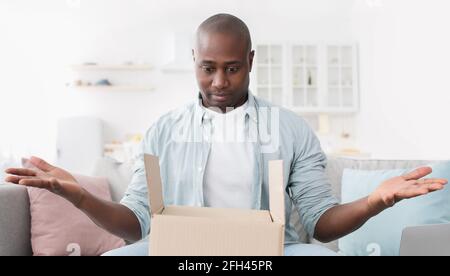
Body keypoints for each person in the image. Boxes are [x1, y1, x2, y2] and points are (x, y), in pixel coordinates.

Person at [4, 14, 447, 256]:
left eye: (232, 68)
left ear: (251, 61)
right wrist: (77, 195)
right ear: (194, 60)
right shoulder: (164, 130)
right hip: (179, 253)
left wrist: (374, 201)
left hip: (267, 254)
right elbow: (136, 224)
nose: (219, 81)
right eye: (207, 68)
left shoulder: (290, 128)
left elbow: (319, 223)